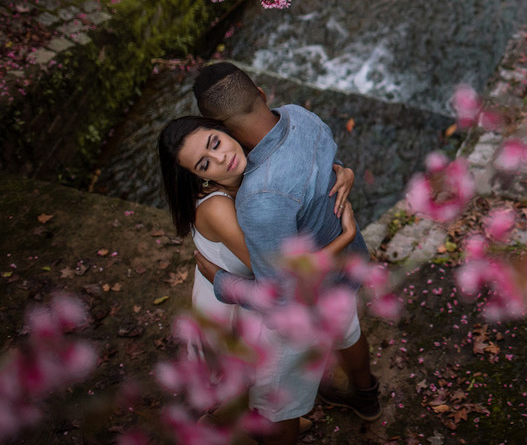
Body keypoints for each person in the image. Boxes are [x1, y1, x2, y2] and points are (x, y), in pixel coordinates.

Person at [190, 63, 381, 445]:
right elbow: (323, 170)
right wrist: (344, 172)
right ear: (261, 93)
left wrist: (221, 282)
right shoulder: (301, 116)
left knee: (276, 403)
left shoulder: (258, 198)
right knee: (348, 331)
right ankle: (366, 397)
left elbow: (278, 296)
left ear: (218, 127)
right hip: (344, 270)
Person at [157, 116, 359, 437]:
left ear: (224, 131)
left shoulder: (246, 159)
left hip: (248, 286)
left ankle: (253, 420)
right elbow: (278, 274)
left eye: (215, 143)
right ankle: (220, 423)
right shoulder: (217, 209)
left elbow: (305, 159)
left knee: (254, 375)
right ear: (199, 177)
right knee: (246, 375)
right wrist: (343, 239)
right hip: (232, 298)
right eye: (205, 164)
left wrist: (342, 171)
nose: (221, 158)